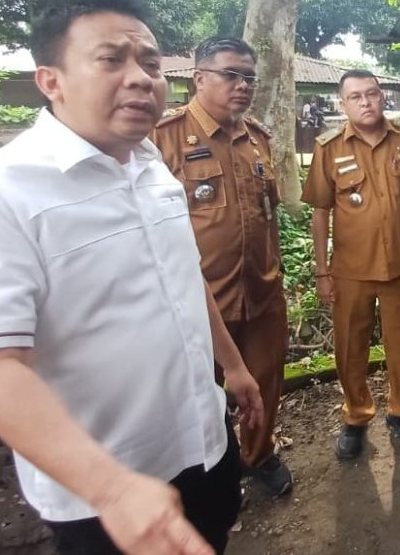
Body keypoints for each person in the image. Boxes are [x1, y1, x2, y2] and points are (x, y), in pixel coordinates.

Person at [0, 0, 264, 555]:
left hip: (204, 448)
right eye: (111, 59)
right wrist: (111, 490)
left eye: (151, 64)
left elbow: (184, 280)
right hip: (106, 489)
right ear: (50, 80)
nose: (140, 78)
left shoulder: (153, 169)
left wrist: (232, 366)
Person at [150, 36, 293, 496]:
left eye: (249, 77)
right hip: (198, 300)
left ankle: (259, 454)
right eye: (230, 74)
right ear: (199, 78)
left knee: (266, 382)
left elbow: (267, 220)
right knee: (201, 393)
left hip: (261, 291)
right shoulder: (162, 139)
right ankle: (215, 471)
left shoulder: (259, 140)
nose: (243, 85)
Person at [301, 70, 400, 460]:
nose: (366, 102)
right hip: (350, 270)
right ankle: (356, 415)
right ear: (343, 104)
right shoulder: (328, 147)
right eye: (356, 97)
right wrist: (322, 271)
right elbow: (320, 212)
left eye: (372, 94)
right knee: (350, 347)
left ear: (382, 97)